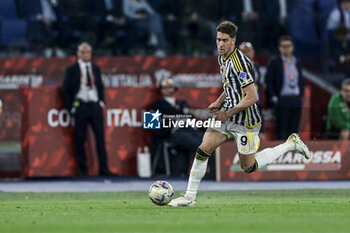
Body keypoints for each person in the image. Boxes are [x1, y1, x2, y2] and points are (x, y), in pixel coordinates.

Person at [168, 21, 311, 207]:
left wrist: (226, 113)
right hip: (227, 114)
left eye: (225, 40)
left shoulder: (240, 63)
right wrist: (219, 101)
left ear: (233, 41)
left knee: (248, 166)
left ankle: (290, 144)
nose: (220, 44)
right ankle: (189, 196)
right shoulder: (222, 57)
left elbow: (252, 96)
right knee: (203, 150)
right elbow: (230, 85)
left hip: (246, 121)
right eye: (218, 39)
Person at [61, 42, 111, 176]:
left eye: (88, 52)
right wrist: (71, 107)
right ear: (77, 54)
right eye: (82, 52)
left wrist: (101, 102)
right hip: (80, 105)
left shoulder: (95, 68)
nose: (85, 54)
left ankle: (104, 169)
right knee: (80, 139)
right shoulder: (72, 70)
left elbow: (100, 86)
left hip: (95, 106)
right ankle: (83, 170)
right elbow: (65, 89)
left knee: (100, 139)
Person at [265, 35, 304, 140]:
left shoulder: (297, 61)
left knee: (294, 132)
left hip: (295, 99)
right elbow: (268, 81)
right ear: (279, 48)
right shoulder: (275, 61)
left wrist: (301, 96)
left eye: (289, 46)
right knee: (282, 131)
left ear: (293, 47)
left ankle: (293, 155)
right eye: (284, 46)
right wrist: (273, 96)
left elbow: (300, 80)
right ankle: (282, 155)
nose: (286, 48)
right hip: (282, 99)